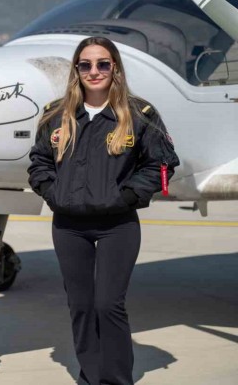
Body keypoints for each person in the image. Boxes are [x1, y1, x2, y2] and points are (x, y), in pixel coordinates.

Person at [28, 36, 179, 385]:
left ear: (115, 68)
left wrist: (126, 197)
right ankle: (90, 377)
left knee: (108, 305)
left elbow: (161, 164)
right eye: (85, 65)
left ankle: (115, 381)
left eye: (102, 64)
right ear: (76, 71)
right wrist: (54, 193)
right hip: (69, 225)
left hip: (117, 225)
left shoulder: (138, 114)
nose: (94, 71)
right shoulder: (57, 114)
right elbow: (38, 162)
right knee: (80, 307)